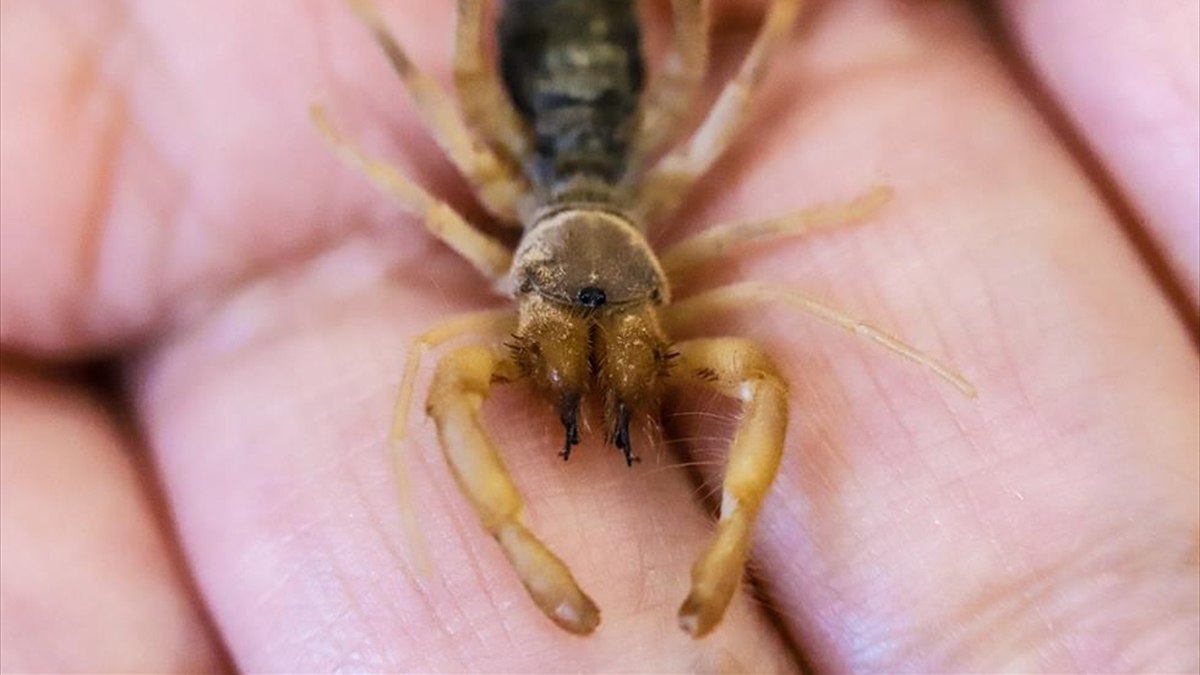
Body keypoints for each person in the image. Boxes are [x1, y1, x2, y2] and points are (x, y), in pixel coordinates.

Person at [1, 1, 1196, 671]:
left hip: (598, 128)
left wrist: (731, 535)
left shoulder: (627, 230)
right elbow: (432, 184)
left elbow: (740, 97)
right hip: (568, 112)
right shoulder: (507, 236)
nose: (590, 343)